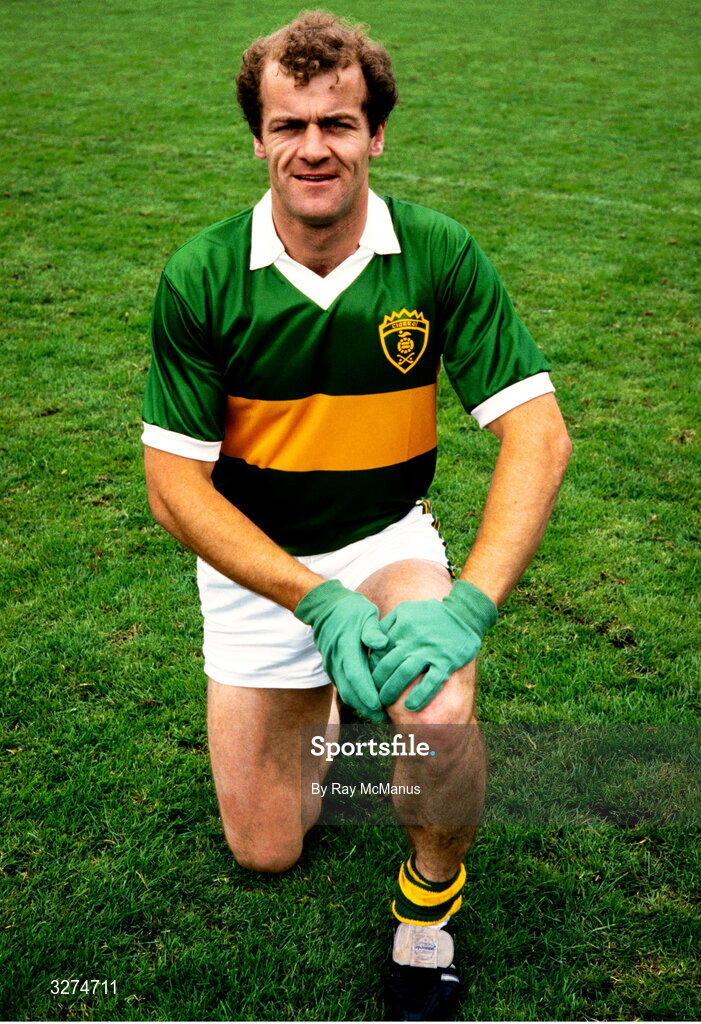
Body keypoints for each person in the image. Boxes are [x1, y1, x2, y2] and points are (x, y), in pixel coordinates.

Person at [141, 10, 571, 1020]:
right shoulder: (203, 275)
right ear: (256, 140)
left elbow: (538, 436)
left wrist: (468, 604)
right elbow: (174, 488)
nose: (312, 148)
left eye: (336, 123)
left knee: (435, 712)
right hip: (258, 564)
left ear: (375, 134)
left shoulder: (436, 252)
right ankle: (327, 701)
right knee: (266, 847)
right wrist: (313, 601)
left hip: (384, 542)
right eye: (287, 126)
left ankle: (427, 908)